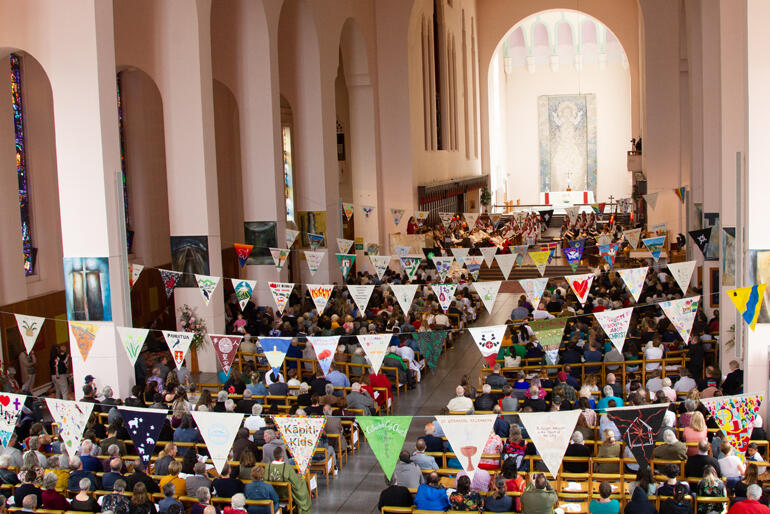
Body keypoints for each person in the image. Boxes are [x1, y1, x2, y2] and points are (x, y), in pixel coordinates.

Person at [264, 447, 311, 514]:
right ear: (282, 456)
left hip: (273, 493)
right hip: (286, 494)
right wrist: (301, 478)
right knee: (302, 483)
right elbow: (296, 483)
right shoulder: (287, 467)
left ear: (274, 455)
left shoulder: (267, 467)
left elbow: (266, 480)